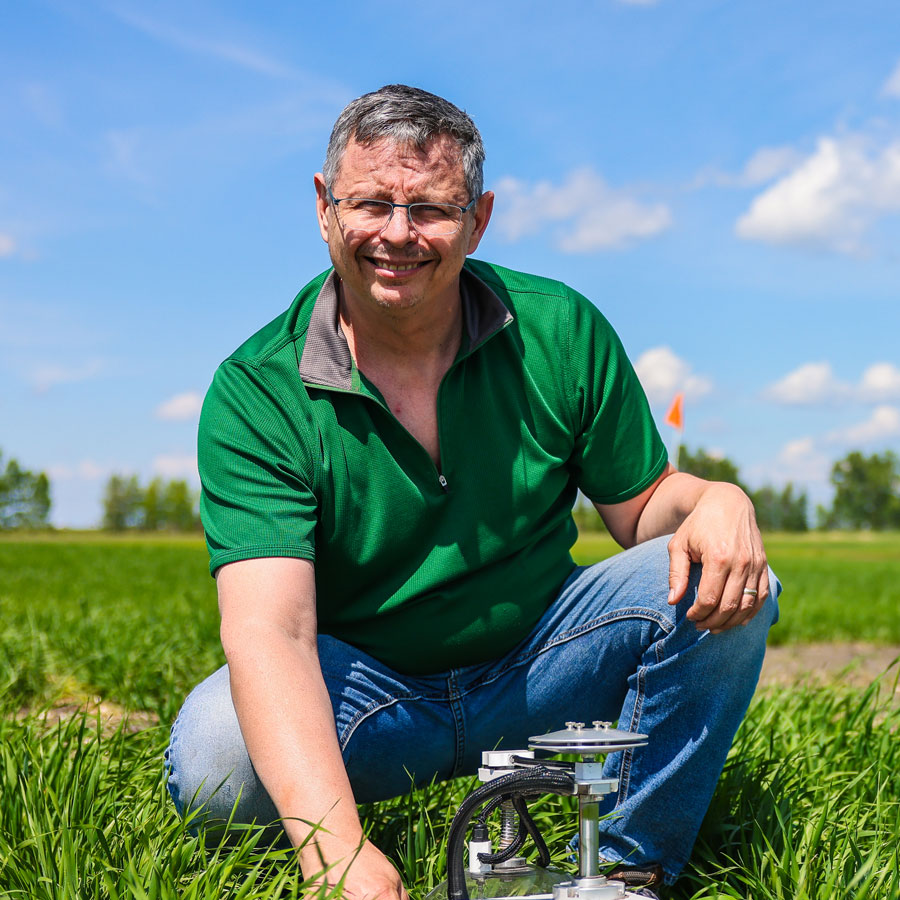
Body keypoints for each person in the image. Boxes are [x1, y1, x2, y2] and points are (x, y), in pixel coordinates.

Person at [165, 84, 780, 899]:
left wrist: (713, 499)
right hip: (371, 698)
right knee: (212, 758)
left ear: (479, 218)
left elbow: (642, 513)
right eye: (372, 202)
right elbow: (273, 633)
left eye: (431, 209)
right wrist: (334, 852)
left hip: (539, 668)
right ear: (323, 207)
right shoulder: (256, 392)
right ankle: (349, 818)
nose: (397, 233)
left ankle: (628, 871)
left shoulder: (559, 329)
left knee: (725, 574)